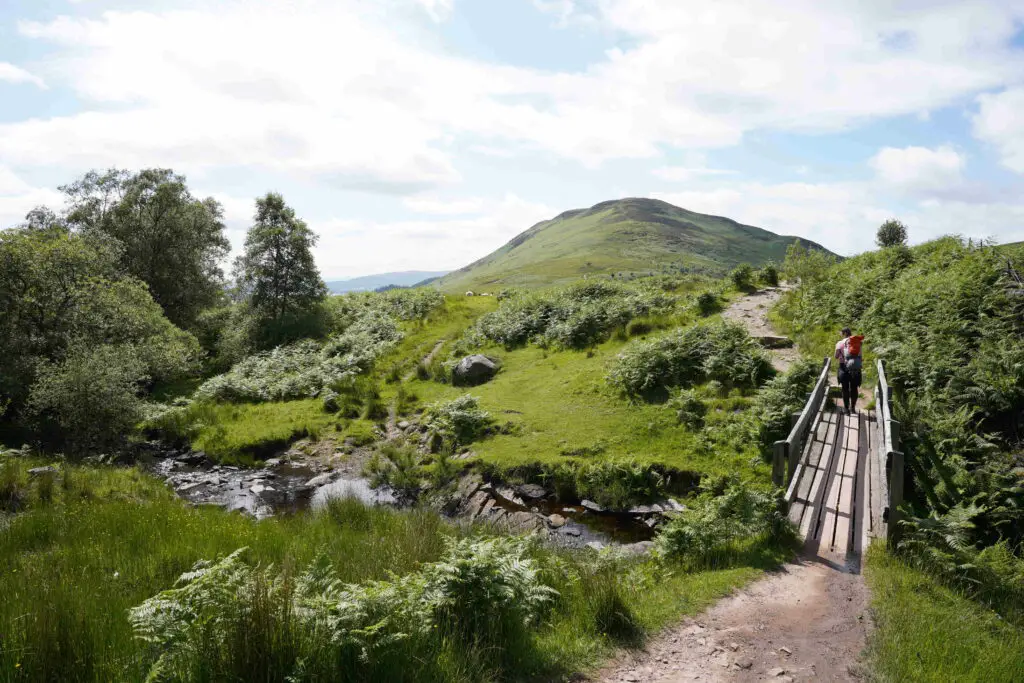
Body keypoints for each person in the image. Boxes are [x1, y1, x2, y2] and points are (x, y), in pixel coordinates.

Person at [834, 327, 864, 414]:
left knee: (845, 388)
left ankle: (846, 409)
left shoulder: (840, 343)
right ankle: (853, 408)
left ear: (844, 333)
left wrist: (841, 355)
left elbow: (836, 356)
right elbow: (860, 355)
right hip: (855, 367)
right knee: (854, 388)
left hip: (843, 367)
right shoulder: (858, 342)